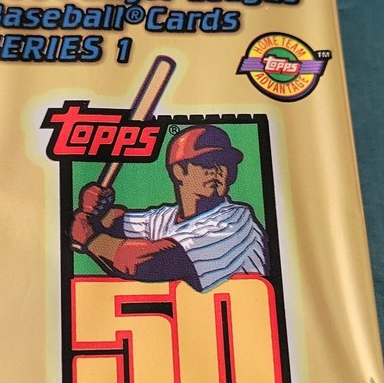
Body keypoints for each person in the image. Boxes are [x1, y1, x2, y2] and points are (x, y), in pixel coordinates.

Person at [71, 125, 268, 292]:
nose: (217, 170)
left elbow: (145, 262)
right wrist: (94, 211)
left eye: (224, 163)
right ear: (179, 171)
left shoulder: (236, 222)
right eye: (206, 162)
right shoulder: (166, 217)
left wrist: (90, 238)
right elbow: (116, 220)